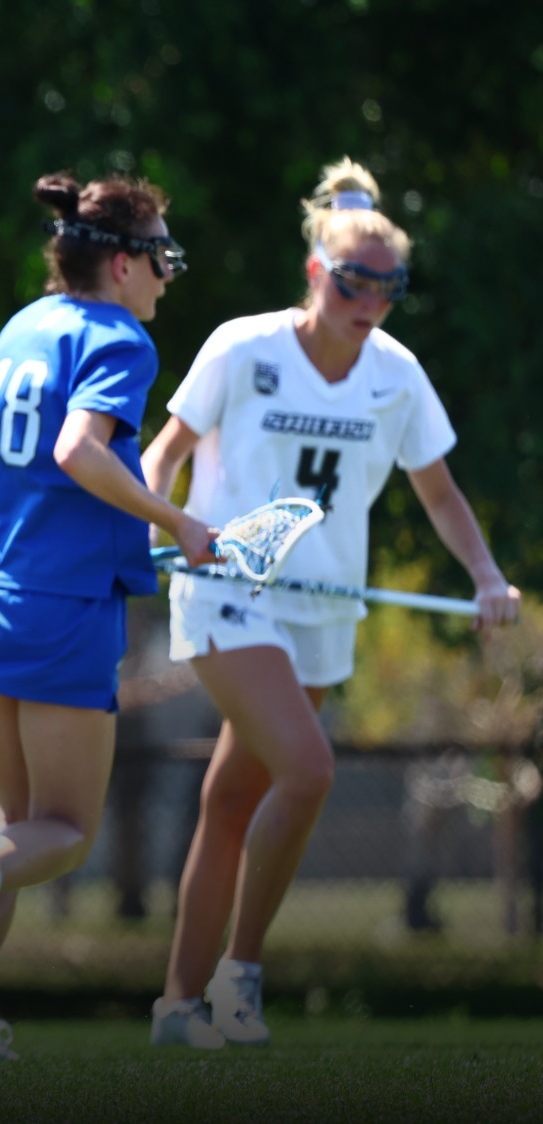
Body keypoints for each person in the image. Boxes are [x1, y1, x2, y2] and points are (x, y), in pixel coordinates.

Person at [140, 158, 521, 1049]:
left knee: (233, 800)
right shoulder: (244, 347)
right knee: (308, 771)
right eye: (355, 281)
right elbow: (167, 450)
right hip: (229, 589)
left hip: (324, 607)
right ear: (318, 272)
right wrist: (149, 516)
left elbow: (439, 492)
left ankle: (176, 1008)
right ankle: (242, 981)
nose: (371, 299)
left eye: (390, 286)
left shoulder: (397, 373)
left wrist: (487, 574)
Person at [0, 173, 216, 1060]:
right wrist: (178, 522)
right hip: (58, 603)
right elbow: (78, 450)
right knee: (68, 831)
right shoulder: (117, 337)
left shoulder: (21, 327)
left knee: (20, 819)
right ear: (123, 264)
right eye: (163, 257)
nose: (168, 275)